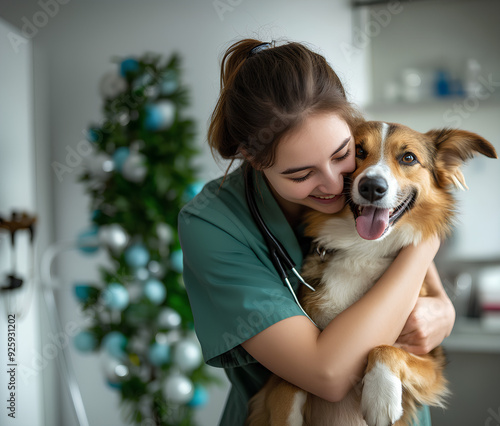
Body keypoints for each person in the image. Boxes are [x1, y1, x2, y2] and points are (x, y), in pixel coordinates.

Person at [178, 38, 455, 425]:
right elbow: (327, 375)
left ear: (350, 123)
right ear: (253, 158)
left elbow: (415, 222)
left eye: (342, 153)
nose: (333, 184)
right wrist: (425, 247)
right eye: (300, 173)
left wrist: (443, 305)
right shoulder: (212, 224)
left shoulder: (367, 176)